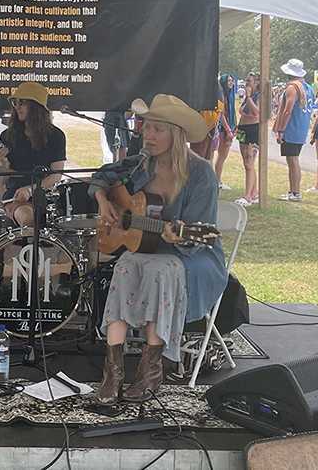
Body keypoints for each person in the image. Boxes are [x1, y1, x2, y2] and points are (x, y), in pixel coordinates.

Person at [88, 94, 227, 405]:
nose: (146, 135)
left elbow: (200, 231)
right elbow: (101, 178)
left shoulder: (200, 173)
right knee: (125, 265)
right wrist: (104, 201)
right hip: (152, 252)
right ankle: (112, 373)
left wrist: (179, 235)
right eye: (145, 127)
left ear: (176, 135)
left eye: (156, 130)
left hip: (194, 257)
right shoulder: (141, 164)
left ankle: (151, 372)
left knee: (158, 269)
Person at [0, 82, 66, 227]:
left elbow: (56, 175)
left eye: (23, 103)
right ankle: (27, 248)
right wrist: (2, 163)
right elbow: (3, 181)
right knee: (27, 218)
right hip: (16, 197)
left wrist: (31, 189)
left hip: (47, 196)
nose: (17, 107)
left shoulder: (56, 136)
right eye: (15, 102)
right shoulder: (8, 135)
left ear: (36, 107)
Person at [273, 59, 314, 201]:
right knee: (293, 160)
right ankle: (293, 191)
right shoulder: (308, 88)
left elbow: (287, 111)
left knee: (293, 161)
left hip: (291, 128)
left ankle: (295, 192)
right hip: (301, 128)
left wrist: (281, 129)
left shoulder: (292, 88)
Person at [234, 72, 261, 206]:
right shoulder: (246, 96)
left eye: (249, 81)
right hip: (242, 130)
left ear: (256, 82)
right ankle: (254, 192)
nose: (246, 83)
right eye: (246, 80)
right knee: (246, 162)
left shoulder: (258, 96)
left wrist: (249, 97)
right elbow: (241, 111)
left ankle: (248, 196)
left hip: (253, 130)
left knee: (250, 162)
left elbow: (257, 112)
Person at [214, 74, 238, 187]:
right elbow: (222, 114)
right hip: (223, 129)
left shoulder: (231, 95)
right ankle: (217, 181)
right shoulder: (222, 95)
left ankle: (218, 180)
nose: (231, 83)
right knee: (221, 156)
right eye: (228, 81)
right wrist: (228, 130)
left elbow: (233, 112)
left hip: (230, 127)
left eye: (232, 81)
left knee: (223, 156)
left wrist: (234, 127)